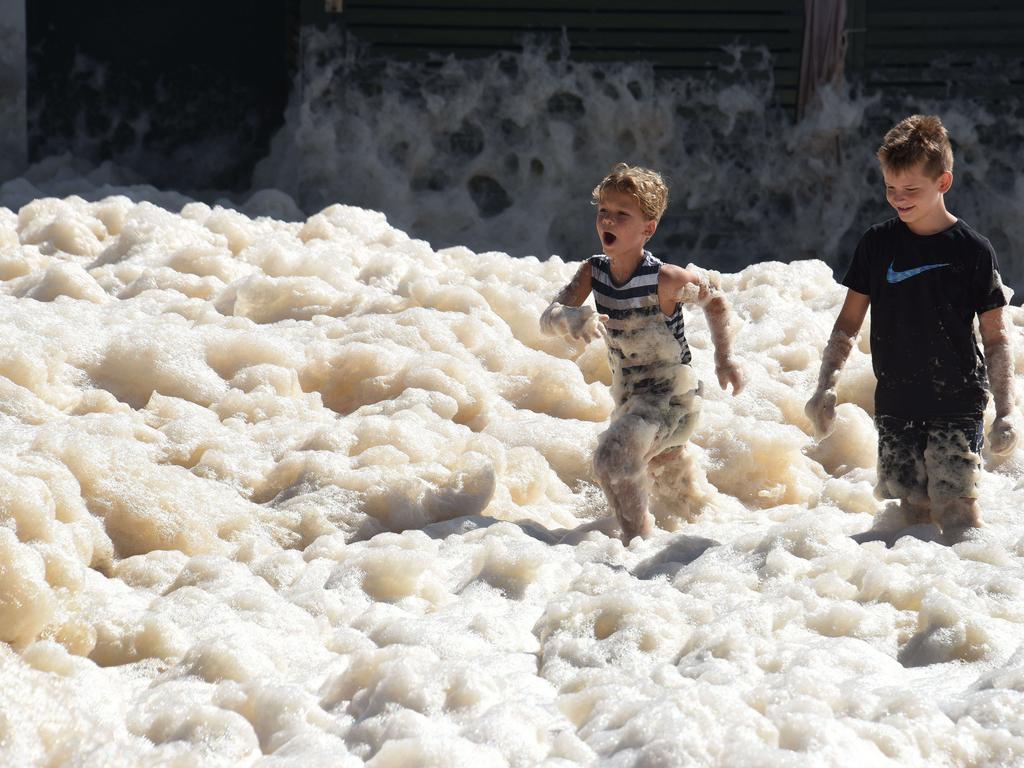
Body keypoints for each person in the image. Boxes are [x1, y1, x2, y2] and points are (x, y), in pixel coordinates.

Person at [805, 114, 1017, 543]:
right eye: (890, 189)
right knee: (914, 517)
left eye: (911, 190)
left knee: (958, 510)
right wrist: (826, 384)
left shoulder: (973, 250)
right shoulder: (877, 243)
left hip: (957, 399)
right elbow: (848, 323)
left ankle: (969, 591)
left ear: (943, 182)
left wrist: (1007, 410)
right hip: (897, 401)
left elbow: (995, 337)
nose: (898, 199)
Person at [539, 163, 745, 542]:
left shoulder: (665, 279)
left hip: (672, 400)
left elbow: (715, 301)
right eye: (604, 212)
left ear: (647, 229)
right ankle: (722, 529)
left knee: (611, 459)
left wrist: (724, 359)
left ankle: (637, 546)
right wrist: (572, 317)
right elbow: (546, 317)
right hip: (631, 400)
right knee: (673, 487)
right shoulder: (593, 272)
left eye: (622, 214)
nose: (609, 221)